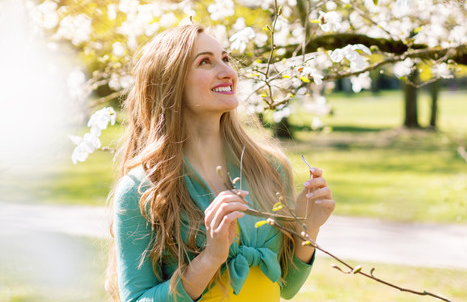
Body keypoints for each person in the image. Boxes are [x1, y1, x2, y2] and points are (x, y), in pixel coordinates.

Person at [105, 24, 335, 301]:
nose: (228, 72)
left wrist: (308, 228)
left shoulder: (270, 168)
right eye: (205, 62)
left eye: (225, 59)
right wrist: (210, 258)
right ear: (170, 83)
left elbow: (285, 286)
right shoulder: (142, 190)